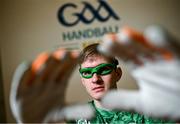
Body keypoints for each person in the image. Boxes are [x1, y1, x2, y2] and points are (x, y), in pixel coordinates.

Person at [99, 25, 180, 122]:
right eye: (86, 73)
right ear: (82, 80)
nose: (95, 79)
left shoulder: (151, 109)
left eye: (103, 70)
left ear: (118, 73)